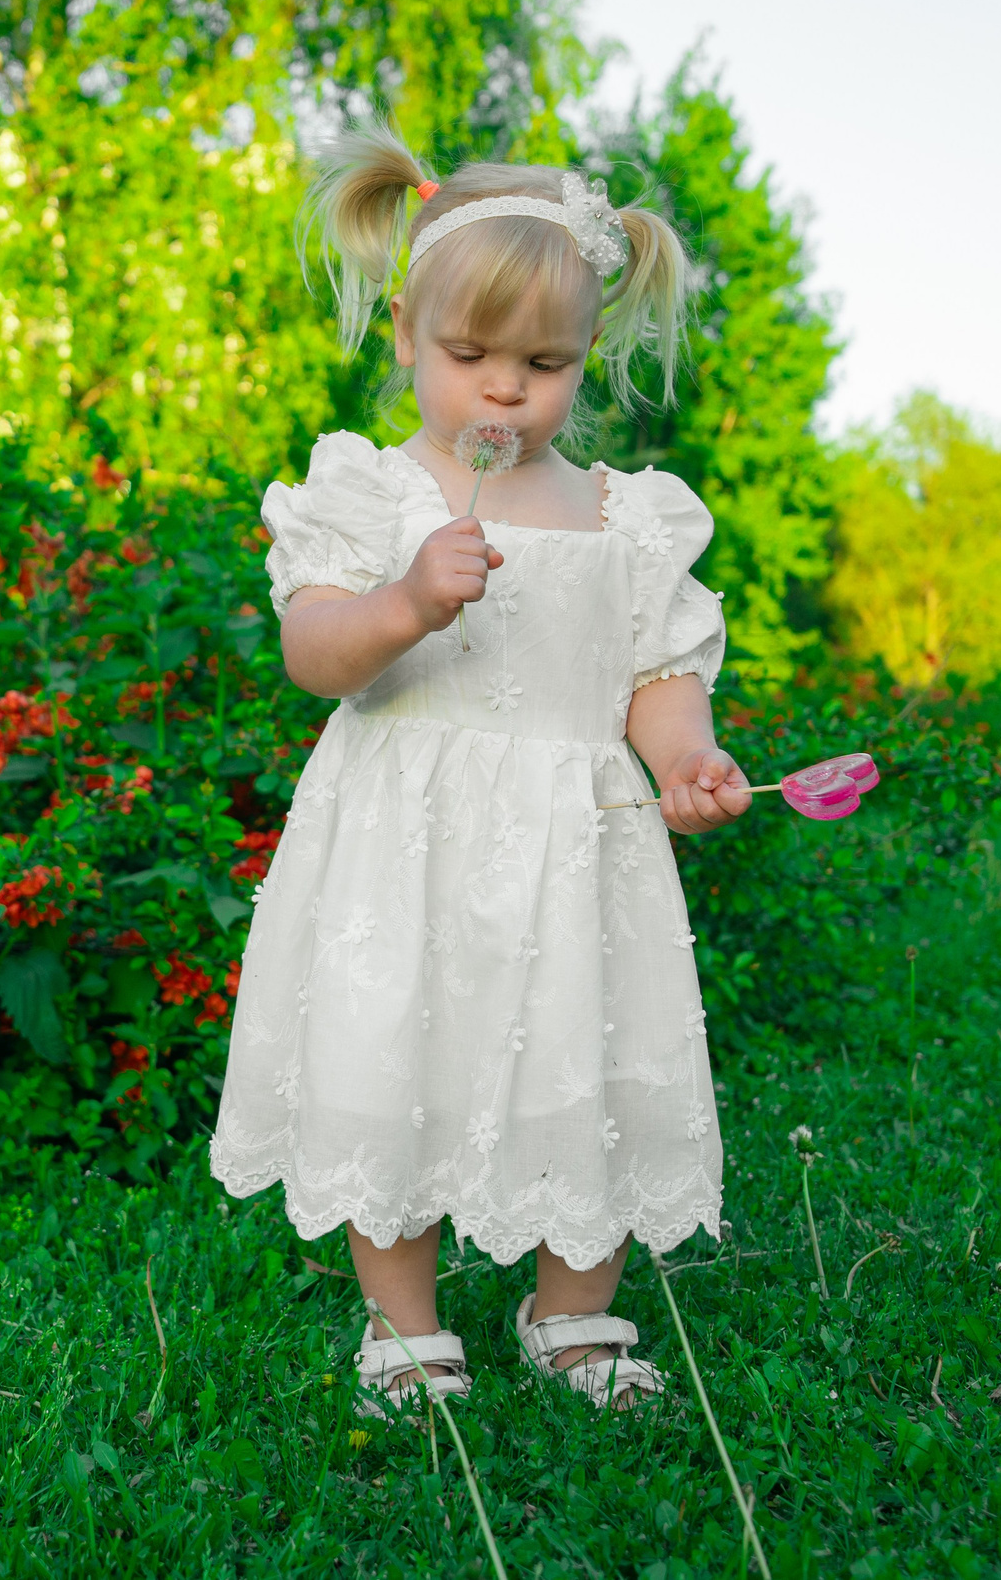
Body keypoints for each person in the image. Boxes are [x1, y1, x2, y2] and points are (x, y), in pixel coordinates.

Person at [207, 122, 753, 1416]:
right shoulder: (375, 494)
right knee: (390, 1060)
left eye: (545, 363)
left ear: (587, 359)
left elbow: (657, 675)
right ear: (405, 333)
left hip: (575, 847)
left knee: (587, 1069)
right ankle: (403, 1325)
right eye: (470, 357)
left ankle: (575, 1311)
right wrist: (403, 603)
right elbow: (316, 652)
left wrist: (689, 758)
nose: (504, 391)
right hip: (406, 852)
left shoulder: (625, 514)